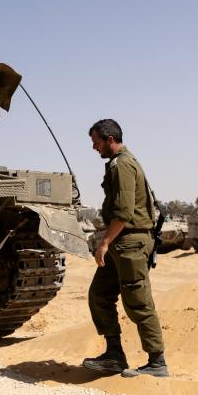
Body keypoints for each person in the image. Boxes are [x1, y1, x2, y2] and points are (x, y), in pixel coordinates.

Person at [82, 119, 169, 378]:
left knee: (138, 302)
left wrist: (104, 242)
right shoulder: (117, 164)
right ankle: (114, 355)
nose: (94, 148)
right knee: (99, 295)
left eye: (96, 143)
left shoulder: (122, 165)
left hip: (130, 242)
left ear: (110, 139)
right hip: (123, 242)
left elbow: (123, 211)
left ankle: (157, 362)